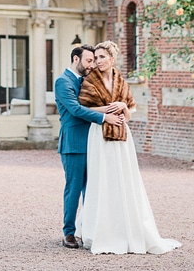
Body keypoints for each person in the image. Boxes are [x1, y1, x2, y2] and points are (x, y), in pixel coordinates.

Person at [74, 40, 181, 255]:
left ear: (112, 59)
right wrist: (111, 110)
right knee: (102, 180)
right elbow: (85, 107)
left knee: (124, 180)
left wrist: (123, 106)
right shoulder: (89, 81)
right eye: (95, 58)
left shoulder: (122, 82)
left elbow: (129, 114)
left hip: (123, 136)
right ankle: (100, 231)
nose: (98, 61)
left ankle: (127, 228)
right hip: (100, 132)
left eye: (102, 57)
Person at [54, 44, 125, 249]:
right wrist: (105, 118)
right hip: (73, 144)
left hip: (94, 143)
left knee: (93, 190)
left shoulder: (88, 80)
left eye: (93, 61)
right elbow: (76, 109)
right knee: (74, 189)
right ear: (76, 59)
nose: (91, 65)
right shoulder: (62, 82)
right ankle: (69, 232)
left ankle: (89, 230)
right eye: (88, 61)